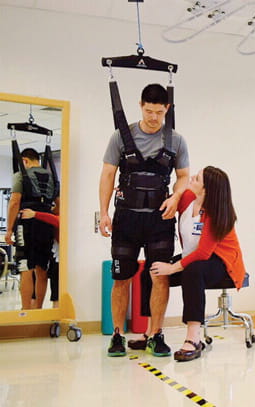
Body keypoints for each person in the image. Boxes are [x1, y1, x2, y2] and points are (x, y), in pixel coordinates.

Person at [99, 83, 190, 357]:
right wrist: (104, 212)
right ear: (141, 106)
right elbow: (107, 175)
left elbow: (184, 176)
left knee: (159, 277)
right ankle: (117, 335)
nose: (153, 117)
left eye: (159, 112)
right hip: (126, 220)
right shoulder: (120, 136)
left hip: (159, 221)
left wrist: (175, 197)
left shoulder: (176, 140)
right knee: (121, 278)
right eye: (149, 111)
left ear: (167, 109)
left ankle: (156, 334)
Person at [151, 166, 245, 362]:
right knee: (155, 269)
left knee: (192, 271)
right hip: (193, 257)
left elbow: (203, 253)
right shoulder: (188, 198)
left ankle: (193, 339)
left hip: (222, 261)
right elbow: (173, 196)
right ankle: (152, 333)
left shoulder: (218, 214)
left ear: (207, 190)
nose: (192, 177)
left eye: (198, 178)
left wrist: (173, 268)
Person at [5, 148, 57, 310]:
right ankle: (38, 309)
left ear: (25, 161)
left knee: (25, 267)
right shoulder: (52, 178)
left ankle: (26, 311)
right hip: (46, 225)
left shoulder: (21, 175)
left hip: (27, 223)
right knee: (42, 268)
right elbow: (59, 205)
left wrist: (9, 229)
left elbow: (14, 202)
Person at [20, 208, 59, 308]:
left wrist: (35, 214)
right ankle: (33, 307)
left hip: (57, 251)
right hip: (52, 248)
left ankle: (33, 308)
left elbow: (58, 221)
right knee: (38, 274)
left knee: (53, 283)